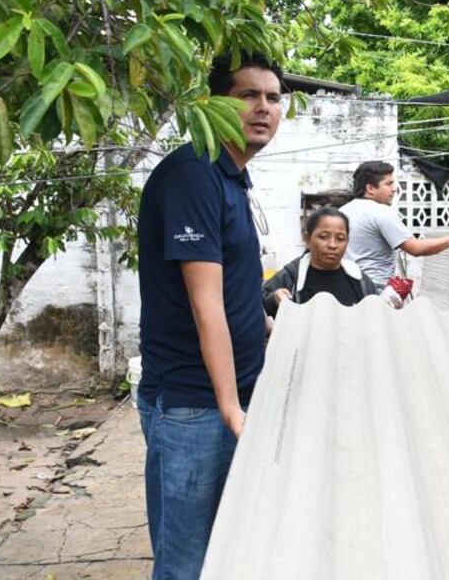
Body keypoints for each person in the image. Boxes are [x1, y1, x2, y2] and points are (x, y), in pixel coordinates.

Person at [135, 53, 282, 580]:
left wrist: (280, 330)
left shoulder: (232, 177)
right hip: (195, 406)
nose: (263, 107)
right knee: (187, 563)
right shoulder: (193, 174)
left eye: (272, 97)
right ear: (216, 103)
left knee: (228, 550)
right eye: (248, 95)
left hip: (232, 394)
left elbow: (240, 290)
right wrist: (230, 408)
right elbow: (206, 303)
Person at [341, 161, 449, 289]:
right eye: (388, 184)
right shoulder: (381, 212)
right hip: (374, 289)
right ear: (370, 188)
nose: (395, 189)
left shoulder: (342, 211)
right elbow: (416, 248)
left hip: (346, 287)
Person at [262, 207, 400, 315]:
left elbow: (374, 318)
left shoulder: (359, 281)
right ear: (307, 239)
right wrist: (274, 299)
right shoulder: (291, 278)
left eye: (340, 238)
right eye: (323, 237)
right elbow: (258, 306)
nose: (332, 245)